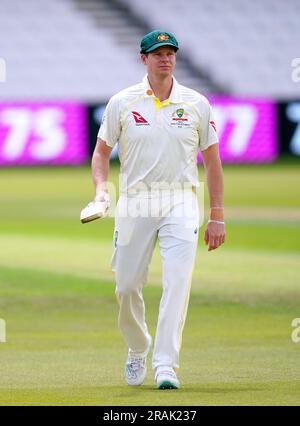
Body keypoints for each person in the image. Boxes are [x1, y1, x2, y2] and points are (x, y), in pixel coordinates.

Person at [91, 30, 225, 389]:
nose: (165, 58)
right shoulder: (123, 102)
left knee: (178, 282)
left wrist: (217, 215)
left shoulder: (196, 103)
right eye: (157, 53)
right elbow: (102, 152)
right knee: (127, 284)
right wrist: (102, 190)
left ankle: (166, 365)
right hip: (136, 201)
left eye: (170, 53)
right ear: (143, 59)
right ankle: (139, 346)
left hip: (181, 200)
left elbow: (212, 162)